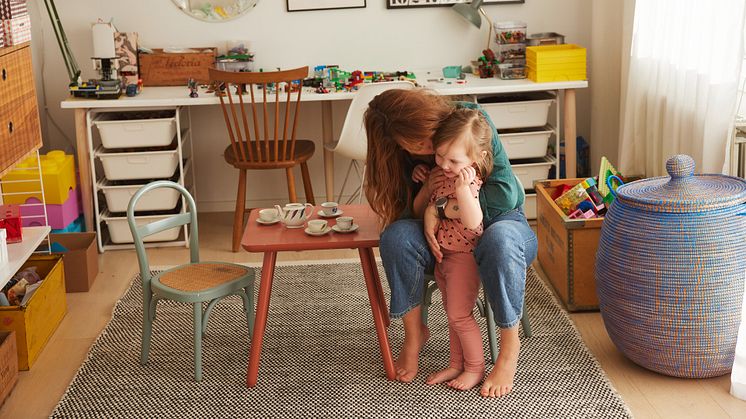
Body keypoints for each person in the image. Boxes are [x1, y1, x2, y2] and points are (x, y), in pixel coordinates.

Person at [364, 89, 538, 398]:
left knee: (499, 240)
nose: (430, 149)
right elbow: (406, 213)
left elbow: (504, 197)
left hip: (501, 225)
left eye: (429, 137)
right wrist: (427, 194)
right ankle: (414, 333)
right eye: (417, 145)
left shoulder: (467, 122)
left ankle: (509, 348)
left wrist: (441, 208)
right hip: (447, 241)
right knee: (396, 237)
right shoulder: (410, 157)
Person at [413, 108, 492, 391]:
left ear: (476, 159)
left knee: (460, 315)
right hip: (443, 255)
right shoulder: (443, 172)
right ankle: (456, 364)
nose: (444, 164)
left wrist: (461, 190)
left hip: (464, 258)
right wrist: (423, 175)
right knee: (452, 313)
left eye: (454, 160)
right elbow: (426, 201)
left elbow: (473, 220)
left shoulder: (469, 181)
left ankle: (474, 368)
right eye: (439, 155)